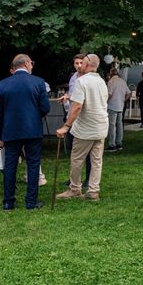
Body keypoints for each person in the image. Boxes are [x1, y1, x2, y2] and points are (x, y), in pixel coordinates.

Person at [0, 54, 50, 210]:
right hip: (32, 129)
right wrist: (34, 116)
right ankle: (31, 201)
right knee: (33, 165)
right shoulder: (38, 82)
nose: (32, 66)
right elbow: (45, 108)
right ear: (26, 63)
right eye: (31, 63)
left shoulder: (2, 85)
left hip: (10, 130)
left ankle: (8, 202)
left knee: (10, 165)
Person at [56, 54, 109, 201]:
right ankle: (93, 191)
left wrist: (66, 126)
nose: (80, 66)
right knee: (96, 160)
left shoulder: (81, 81)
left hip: (86, 128)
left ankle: (74, 189)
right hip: (101, 126)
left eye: (82, 63)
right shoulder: (102, 82)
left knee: (77, 159)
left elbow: (77, 106)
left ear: (86, 65)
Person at [106, 68, 131, 152]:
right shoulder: (122, 81)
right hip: (120, 105)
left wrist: (105, 101)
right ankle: (119, 143)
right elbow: (129, 93)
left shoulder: (111, 82)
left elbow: (109, 94)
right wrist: (123, 99)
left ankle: (112, 144)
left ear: (111, 73)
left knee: (112, 125)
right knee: (119, 125)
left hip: (112, 106)